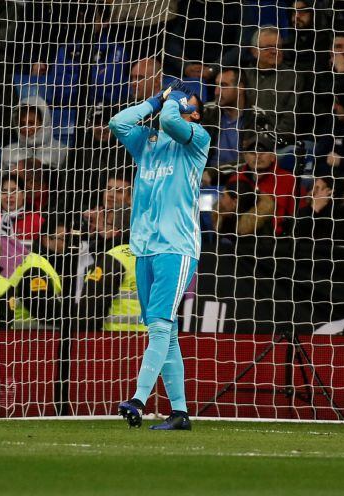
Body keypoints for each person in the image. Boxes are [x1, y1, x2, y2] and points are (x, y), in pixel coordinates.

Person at [108, 80, 209, 430]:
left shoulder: (197, 138)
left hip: (177, 247)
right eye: (178, 96)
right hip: (145, 247)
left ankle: (138, 398)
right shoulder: (148, 142)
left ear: (195, 112)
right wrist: (156, 99)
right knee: (164, 331)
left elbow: (170, 122)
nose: (179, 100)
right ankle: (179, 412)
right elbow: (118, 123)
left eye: (187, 99)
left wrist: (173, 100)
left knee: (160, 327)